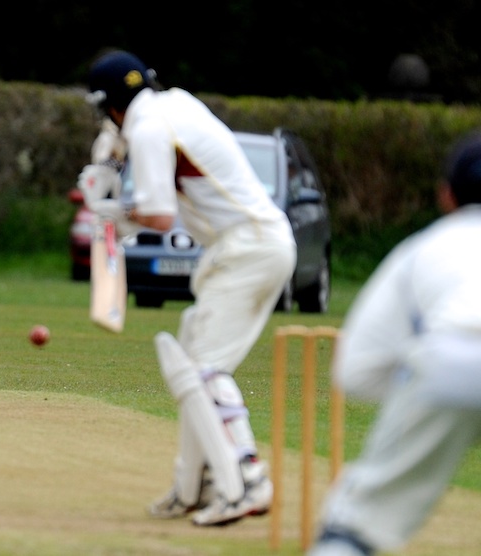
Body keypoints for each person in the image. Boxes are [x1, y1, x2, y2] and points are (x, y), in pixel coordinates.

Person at [83, 50, 297, 526]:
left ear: (109, 106)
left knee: (204, 369)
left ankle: (247, 477)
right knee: (191, 352)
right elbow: (158, 180)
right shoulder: (174, 104)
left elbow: (158, 214)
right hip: (251, 245)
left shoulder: (148, 127)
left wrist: (112, 211)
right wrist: (114, 172)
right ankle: (194, 484)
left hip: (248, 249)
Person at [306, 133, 481, 555]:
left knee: (356, 525)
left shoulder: (423, 249)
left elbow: (356, 371)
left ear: (446, 195)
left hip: (450, 358)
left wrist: (421, 393)